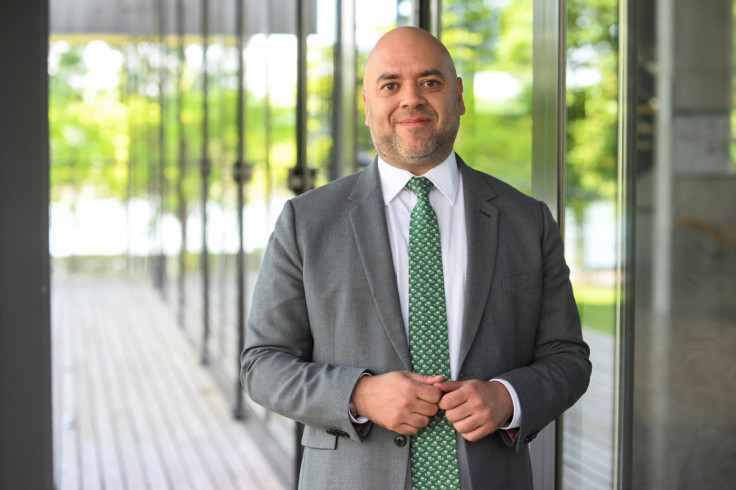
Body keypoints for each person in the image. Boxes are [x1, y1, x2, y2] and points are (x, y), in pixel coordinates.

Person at [241, 26, 591, 489]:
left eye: (430, 82)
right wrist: (360, 394)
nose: (412, 99)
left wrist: (508, 398)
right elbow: (262, 363)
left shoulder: (528, 221)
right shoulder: (305, 223)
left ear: (458, 96)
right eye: (391, 85)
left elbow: (567, 357)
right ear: (366, 106)